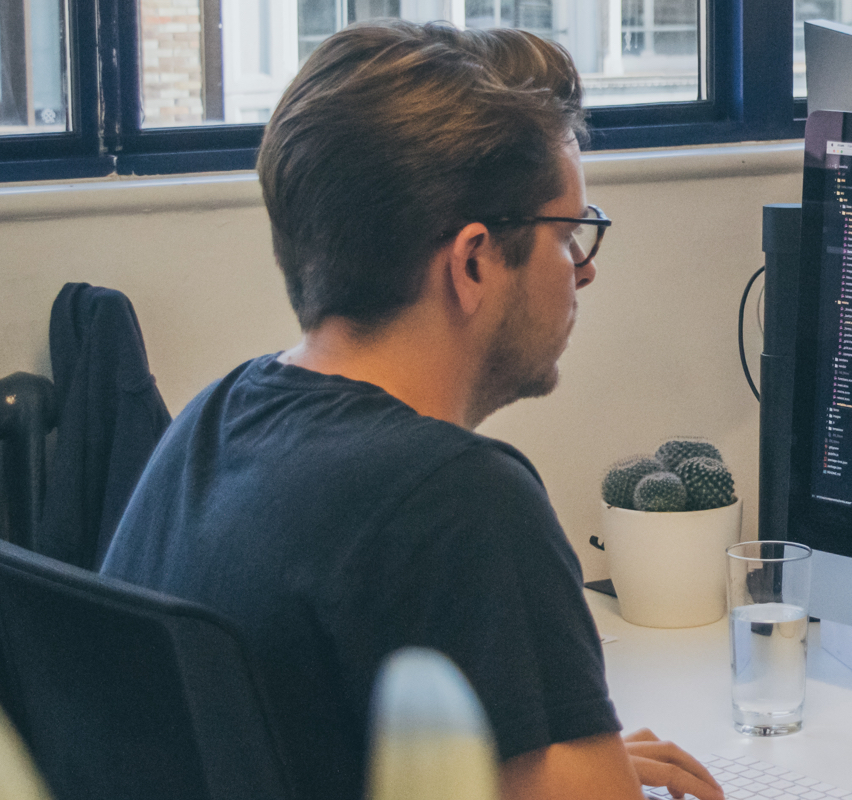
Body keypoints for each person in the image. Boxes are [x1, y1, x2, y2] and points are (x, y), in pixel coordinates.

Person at [100, 20, 723, 800]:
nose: (582, 272)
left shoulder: (215, 419)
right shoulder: (459, 499)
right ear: (472, 262)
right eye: (569, 235)